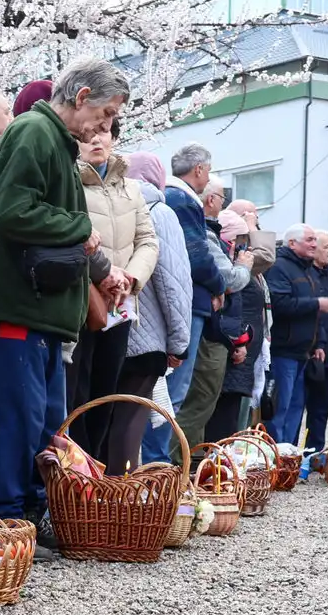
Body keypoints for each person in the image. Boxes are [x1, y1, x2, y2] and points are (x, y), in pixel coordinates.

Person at [0, 58, 128, 540]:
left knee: (46, 424)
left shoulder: (53, 141)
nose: (106, 125)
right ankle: (10, 516)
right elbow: (9, 212)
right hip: (23, 304)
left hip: (43, 308)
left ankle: (35, 512)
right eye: (104, 113)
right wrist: (83, 228)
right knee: (23, 419)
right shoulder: (35, 133)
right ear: (80, 97)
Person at [70, 118, 156, 462]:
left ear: (114, 138)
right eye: (87, 134)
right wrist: (104, 275)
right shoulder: (69, 182)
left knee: (107, 390)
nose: (95, 140)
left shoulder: (130, 187)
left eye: (102, 133)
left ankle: (98, 477)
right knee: (77, 390)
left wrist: (130, 279)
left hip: (120, 303)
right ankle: (75, 476)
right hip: (81, 297)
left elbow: (148, 240)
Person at [142, 142, 225, 463]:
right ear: (200, 170)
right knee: (171, 394)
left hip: (182, 304)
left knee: (168, 392)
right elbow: (196, 255)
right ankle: (158, 465)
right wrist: (219, 286)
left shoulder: (171, 198)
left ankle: (157, 462)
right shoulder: (182, 201)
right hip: (185, 306)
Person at [108, 153, 190, 474]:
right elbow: (175, 285)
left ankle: (93, 496)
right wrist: (179, 343)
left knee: (104, 418)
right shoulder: (160, 212)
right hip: (147, 339)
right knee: (130, 422)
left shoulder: (115, 205)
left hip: (110, 327)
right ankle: (121, 499)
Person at [170, 196, 257, 465]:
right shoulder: (216, 248)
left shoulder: (222, 248)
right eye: (239, 238)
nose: (242, 246)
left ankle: (187, 461)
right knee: (198, 400)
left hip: (220, 335)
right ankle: (176, 463)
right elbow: (232, 282)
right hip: (211, 334)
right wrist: (240, 268)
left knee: (203, 402)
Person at [205, 210, 270, 440]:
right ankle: (212, 465)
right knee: (221, 415)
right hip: (231, 347)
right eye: (240, 241)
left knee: (233, 416)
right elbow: (233, 305)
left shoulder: (239, 266)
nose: (244, 248)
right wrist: (239, 340)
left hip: (240, 348)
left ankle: (223, 462)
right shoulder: (232, 267)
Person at [263, 224, 328, 445]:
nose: (314, 244)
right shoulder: (279, 267)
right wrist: (315, 303)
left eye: (315, 240)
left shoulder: (308, 270)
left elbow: (316, 316)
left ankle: (289, 457)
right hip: (283, 351)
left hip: (303, 353)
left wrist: (319, 342)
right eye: (309, 240)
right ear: (292, 243)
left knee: (295, 410)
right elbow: (280, 304)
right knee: (279, 409)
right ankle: (275, 458)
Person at [304, 230, 328, 449]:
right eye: (326, 246)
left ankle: (314, 449)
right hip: (308, 348)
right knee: (296, 404)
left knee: (321, 406)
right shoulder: (308, 274)